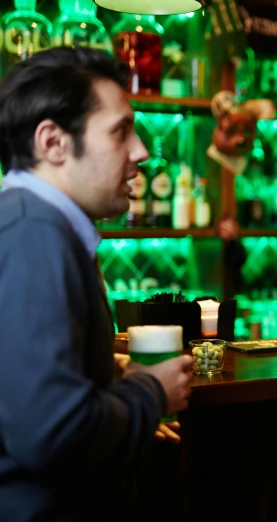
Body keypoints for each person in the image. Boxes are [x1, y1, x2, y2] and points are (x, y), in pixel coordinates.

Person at [0, 47, 194, 521]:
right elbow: (50, 432)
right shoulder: (34, 232)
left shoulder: (33, 223)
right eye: (120, 131)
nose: (142, 152)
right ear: (53, 142)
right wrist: (150, 392)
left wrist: (104, 372)